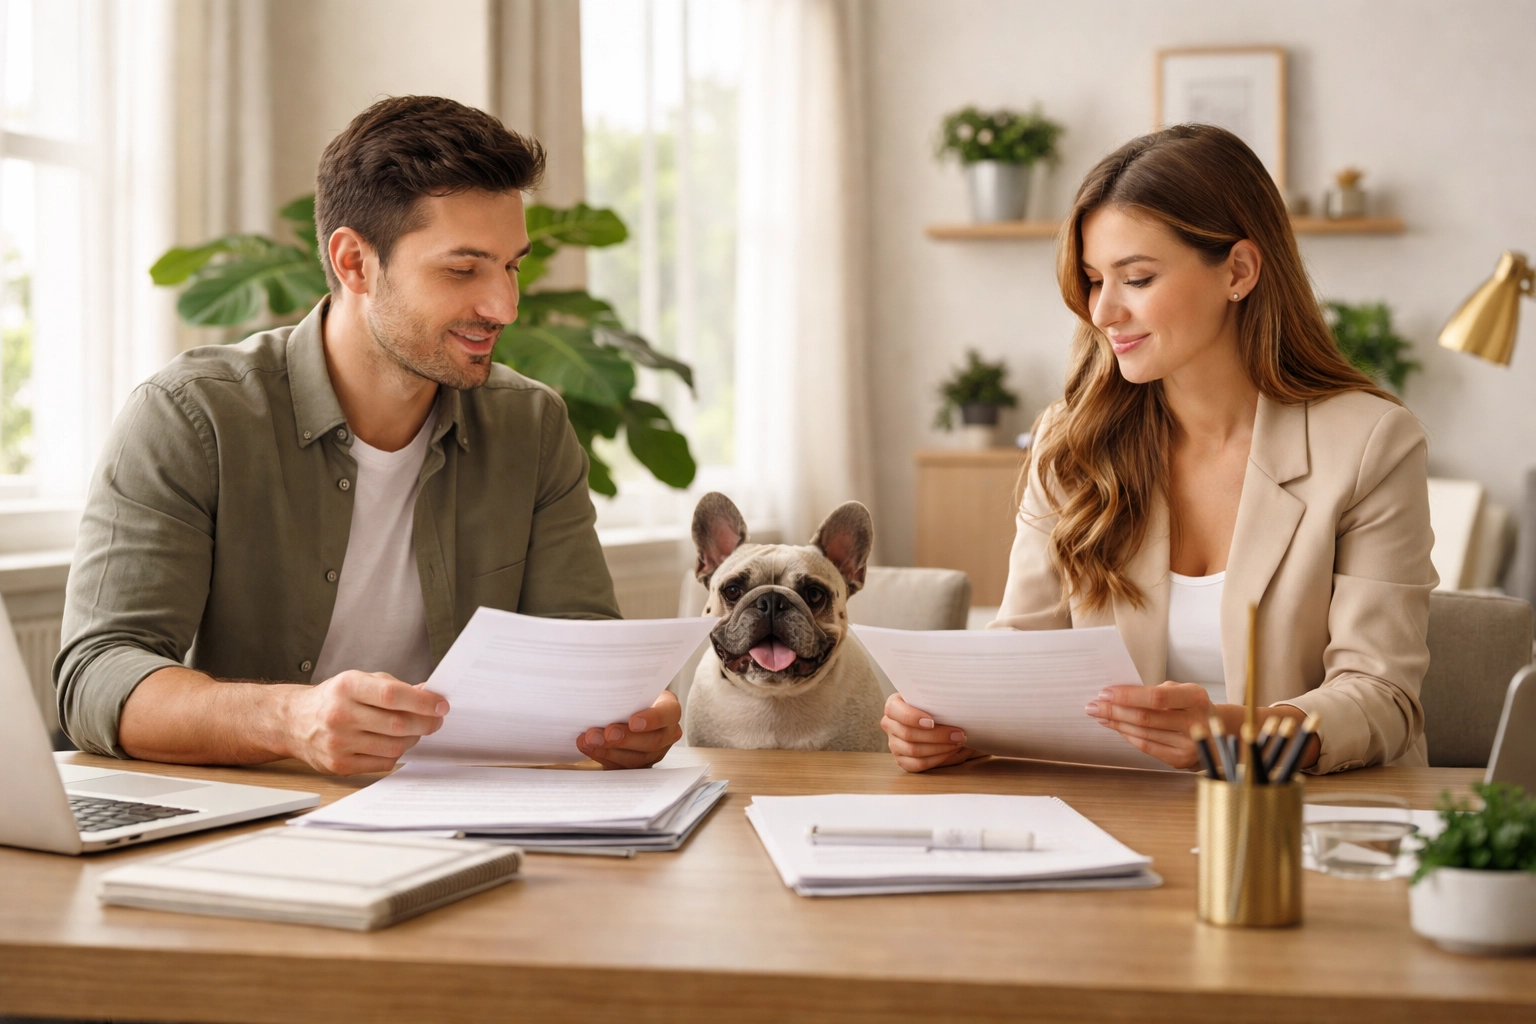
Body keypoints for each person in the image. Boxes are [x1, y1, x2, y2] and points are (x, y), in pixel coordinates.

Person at [54, 96, 680, 774]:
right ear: (354, 263)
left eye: (512, 266)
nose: (504, 305)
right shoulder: (191, 416)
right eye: (463, 268)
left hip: (474, 812)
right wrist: (292, 721)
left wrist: (632, 714)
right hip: (262, 820)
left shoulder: (532, 426)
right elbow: (95, 676)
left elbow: (580, 651)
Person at [883, 124, 1435, 775]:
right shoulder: (1071, 442)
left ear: (1239, 270)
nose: (1103, 311)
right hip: (1118, 820)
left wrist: (1245, 736)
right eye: (1093, 280)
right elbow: (1023, 656)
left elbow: (1382, 698)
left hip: (1309, 822)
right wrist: (958, 722)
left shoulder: (1370, 443)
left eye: (1136, 278)